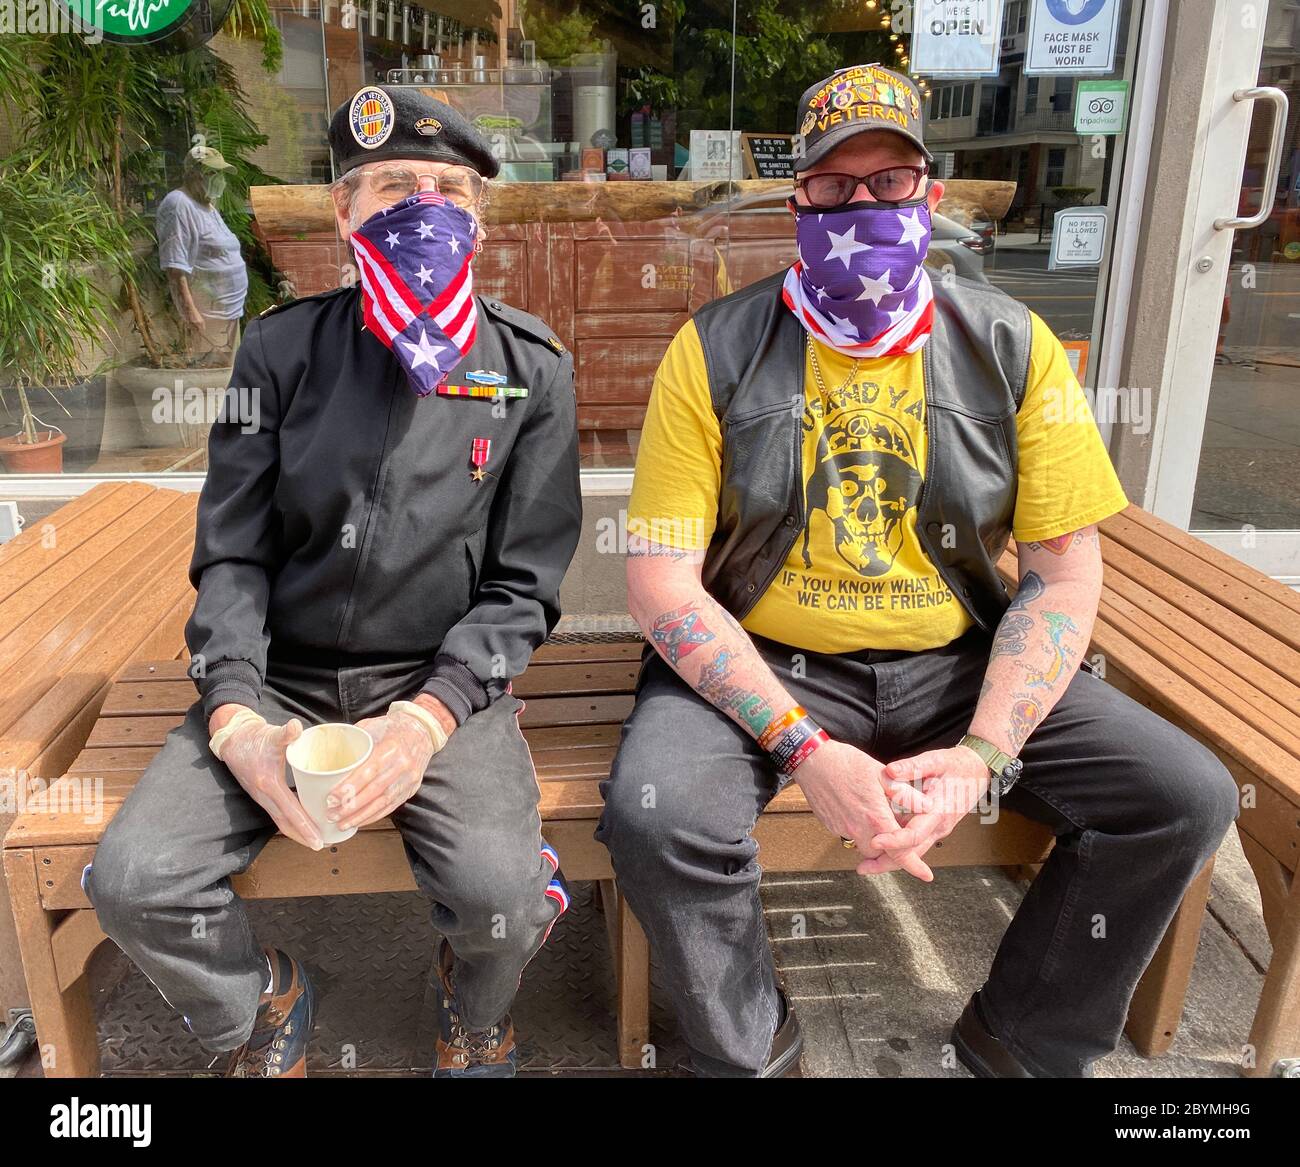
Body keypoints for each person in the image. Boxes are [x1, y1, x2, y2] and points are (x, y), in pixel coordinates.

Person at [596, 63, 1239, 1078]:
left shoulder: (1011, 345)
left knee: (1183, 796)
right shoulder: (712, 348)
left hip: (954, 660)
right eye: (833, 186)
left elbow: (1065, 579)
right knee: (653, 814)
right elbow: (662, 586)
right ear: (796, 200)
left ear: (929, 195)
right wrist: (808, 754)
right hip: (772, 659)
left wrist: (983, 754)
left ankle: (1023, 1041)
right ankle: (746, 1050)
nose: (861, 206)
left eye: (888, 183)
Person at [86, 85, 582, 1079]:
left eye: (449, 189)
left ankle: (472, 1007)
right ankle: (261, 1002)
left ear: (480, 219)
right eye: (395, 185)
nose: (426, 206)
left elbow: (522, 588)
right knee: (133, 882)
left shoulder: (530, 368)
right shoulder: (277, 353)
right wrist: (235, 716)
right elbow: (231, 554)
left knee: (503, 901)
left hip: (441, 688)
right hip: (278, 678)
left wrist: (431, 717)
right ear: (345, 213)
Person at [156, 145, 248, 366]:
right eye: (213, 173)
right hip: (207, 317)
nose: (220, 179)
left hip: (226, 312)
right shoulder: (178, 204)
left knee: (226, 377)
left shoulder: (206, 204)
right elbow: (175, 267)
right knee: (209, 382)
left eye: (221, 173)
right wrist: (191, 313)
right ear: (194, 175)